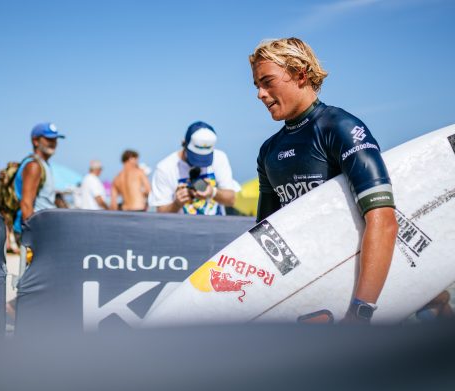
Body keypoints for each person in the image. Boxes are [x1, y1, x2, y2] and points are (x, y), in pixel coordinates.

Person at [250, 37, 398, 324]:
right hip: (313, 290)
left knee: (434, 303)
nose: (260, 94)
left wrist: (361, 310)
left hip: (359, 285)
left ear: (300, 74)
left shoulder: (340, 128)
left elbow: (383, 219)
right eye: (257, 85)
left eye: (267, 81)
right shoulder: (268, 151)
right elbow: (265, 237)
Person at [149, 121, 239, 215]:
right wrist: (177, 203)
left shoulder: (220, 158)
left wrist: (212, 192)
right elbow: (161, 213)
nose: (199, 164)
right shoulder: (164, 168)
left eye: (204, 159)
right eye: (195, 157)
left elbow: (231, 199)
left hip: (217, 228)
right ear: (184, 143)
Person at [13, 122, 64, 238]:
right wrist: (32, 238)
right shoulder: (34, 166)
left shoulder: (44, 165)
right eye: (48, 139)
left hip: (44, 229)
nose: (54, 143)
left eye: (55, 139)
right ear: (35, 141)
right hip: (36, 232)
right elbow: (26, 204)